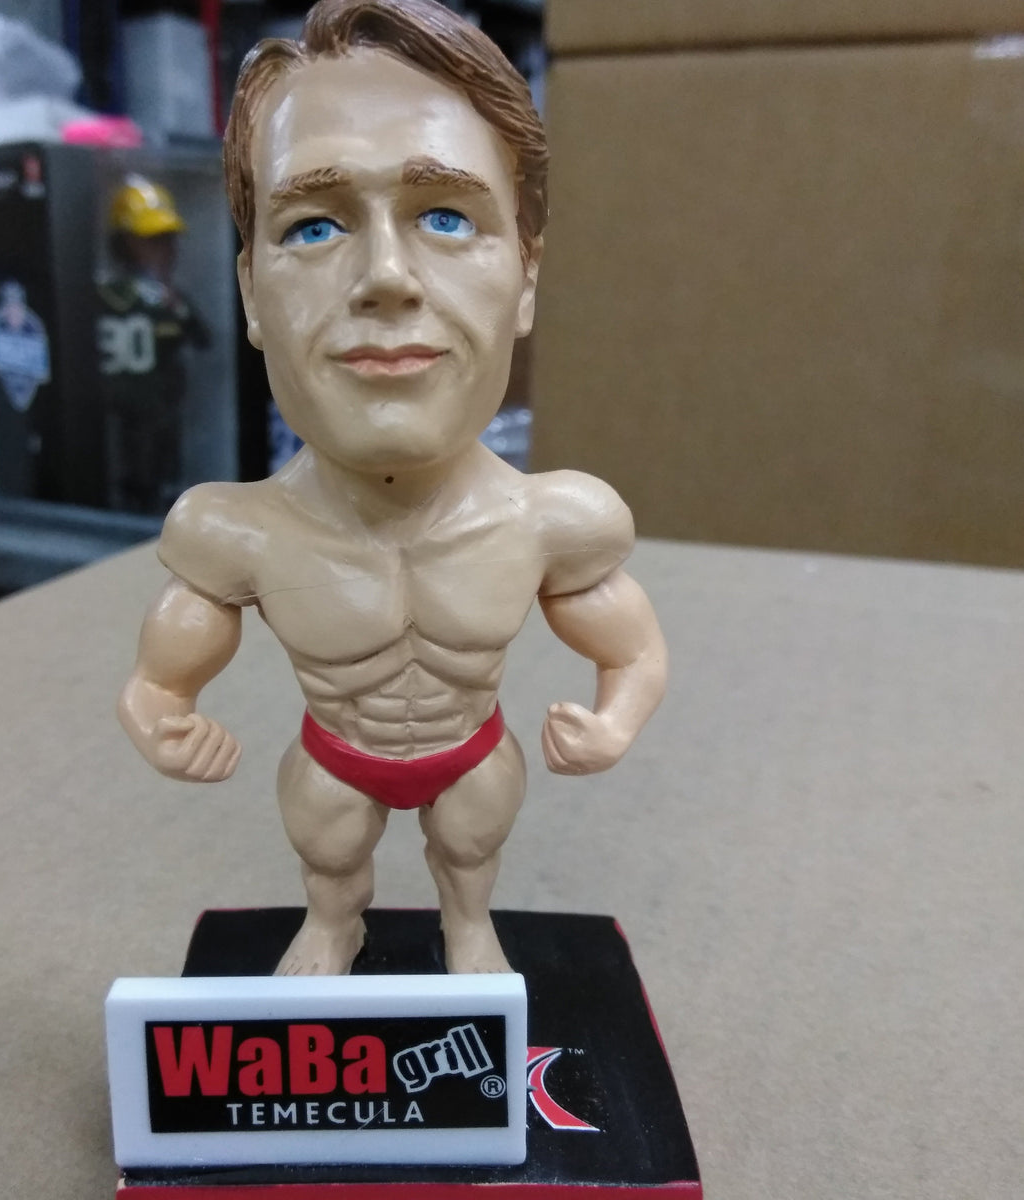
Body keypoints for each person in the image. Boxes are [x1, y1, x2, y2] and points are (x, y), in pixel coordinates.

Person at [118, 0, 667, 975]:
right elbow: (158, 683)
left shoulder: (559, 522)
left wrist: (617, 720)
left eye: (446, 217)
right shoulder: (230, 535)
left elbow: (633, 653)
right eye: (314, 225)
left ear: (526, 277)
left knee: (471, 853)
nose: (385, 277)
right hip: (335, 756)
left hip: (473, 753)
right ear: (249, 292)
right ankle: (333, 923)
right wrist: (159, 722)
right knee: (330, 861)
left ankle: (469, 926)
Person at [98, 175, 211, 513]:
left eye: (168, 240)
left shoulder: (166, 298)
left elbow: (203, 339)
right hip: (121, 421)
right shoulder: (137, 298)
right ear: (123, 245)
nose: (166, 251)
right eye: (153, 241)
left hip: (161, 417)